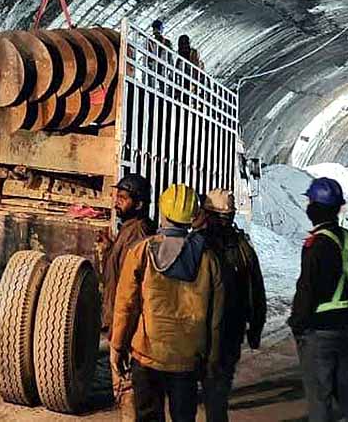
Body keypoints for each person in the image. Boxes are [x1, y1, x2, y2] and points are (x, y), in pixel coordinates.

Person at [111, 184, 224, 422]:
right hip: (187, 360)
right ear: (193, 216)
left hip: (147, 355)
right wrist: (211, 360)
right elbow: (216, 318)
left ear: (163, 212)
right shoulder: (208, 259)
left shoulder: (142, 251)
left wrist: (118, 346)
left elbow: (126, 306)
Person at [288, 177, 348, 422]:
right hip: (345, 328)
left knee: (319, 396)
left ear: (317, 207)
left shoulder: (316, 244)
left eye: (310, 202)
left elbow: (307, 288)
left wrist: (297, 323)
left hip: (319, 331)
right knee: (344, 390)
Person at [195, 189, 267, 422]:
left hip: (200, 331)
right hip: (228, 332)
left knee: (196, 394)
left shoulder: (196, 245)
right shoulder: (242, 247)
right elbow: (257, 291)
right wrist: (255, 328)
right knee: (217, 390)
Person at [101, 173, 155, 332]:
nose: (117, 203)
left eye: (123, 198)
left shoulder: (138, 232)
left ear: (138, 205)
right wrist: (109, 248)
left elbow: (131, 282)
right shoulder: (127, 228)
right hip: (116, 318)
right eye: (117, 197)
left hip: (125, 322)